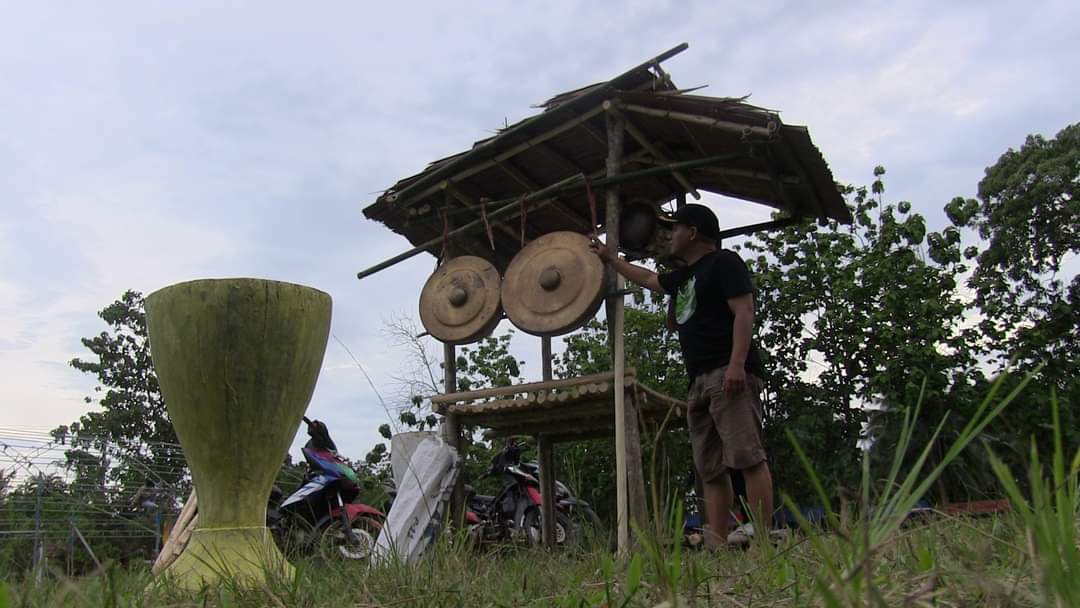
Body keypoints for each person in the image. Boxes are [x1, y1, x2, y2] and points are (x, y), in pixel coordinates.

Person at [590, 203, 774, 548]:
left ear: (693, 232)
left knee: (748, 457)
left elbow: (744, 311)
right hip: (699, 380)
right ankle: (716, 545)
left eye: (675, 229)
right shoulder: (684, 277)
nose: (669, 236)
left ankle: (763, 543)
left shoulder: (725, 262)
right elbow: (647, 277)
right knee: (710, 469)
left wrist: (736, 365)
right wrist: (610, 259)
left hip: (728, 372)